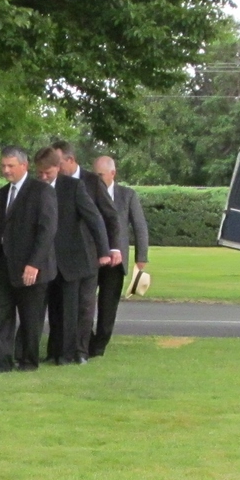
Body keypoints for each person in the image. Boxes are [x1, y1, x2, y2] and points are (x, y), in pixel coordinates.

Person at [34, 147, 110, 366]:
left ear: (57, 167)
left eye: (47, 172)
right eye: (40, 173)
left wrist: (104, 251)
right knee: (53, 308)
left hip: (74, 257)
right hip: (47, 259)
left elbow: (95, 219)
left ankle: (71, 354)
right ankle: (54, 351)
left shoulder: (73, 187)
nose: (44, 177)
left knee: (72, 309)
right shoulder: (36, 188)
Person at [51, 140, 121, 360]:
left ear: (70, 160)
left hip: (88, 255)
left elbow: (109, 216)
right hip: (59, 255)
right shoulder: (52, 183)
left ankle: (80, 351)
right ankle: (58, 350)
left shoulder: (92, 181)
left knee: (84, 305)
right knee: (59, 305)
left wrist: (111, 248)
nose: (54, 166)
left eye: (58, 161)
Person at [0, 146, 57, 373]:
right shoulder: (2, 193)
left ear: (24, 166)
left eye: (10, 166)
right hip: (4, 264)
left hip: (31, 266)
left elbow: (47, 230)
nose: (6, 170)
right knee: (0, 316)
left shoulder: (41, 191)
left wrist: (34, 263)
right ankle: (2, 363)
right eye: (3, 166)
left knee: (30, 318)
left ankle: (28, 361)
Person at [89, 155, 149, 357]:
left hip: (116, 261)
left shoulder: (127, 195)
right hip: (91, 258)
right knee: (85, 304)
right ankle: (85, 342)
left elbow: (140, 227)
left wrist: (142, 257)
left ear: (113, 173)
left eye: (101, 175)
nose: (97, 179)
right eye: (94, 175)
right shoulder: (86, 192)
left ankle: (99, 346)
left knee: (108, 306)